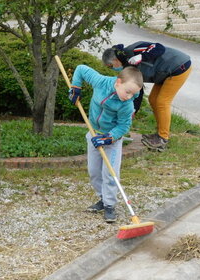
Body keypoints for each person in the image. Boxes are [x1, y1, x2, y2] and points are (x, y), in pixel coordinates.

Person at [68, 65, 143, 223]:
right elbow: (81, 69)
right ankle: (102, 199)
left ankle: (109, 205)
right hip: (94, 133)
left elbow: (123, 127)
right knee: (94, 172)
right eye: (127, 91)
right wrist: (76, 87)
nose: (129, 97)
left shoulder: (126, 105)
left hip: (112, 140)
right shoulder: (101, 82)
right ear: (118, 82)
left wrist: (109, 138)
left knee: (110, 173)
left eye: (133, 94)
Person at [102, 42, 192, 152]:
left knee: (162, 102)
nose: (112, 69)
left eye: (111, 66)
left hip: (178, 67)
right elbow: (137, 89)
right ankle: (159, 134)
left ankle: (163, 138)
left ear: (115, 59)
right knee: (153, 100)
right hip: (163, 73)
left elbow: (159, 47)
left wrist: (141, 56)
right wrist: (133, 110)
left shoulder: (134, 50)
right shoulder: (127, 67)